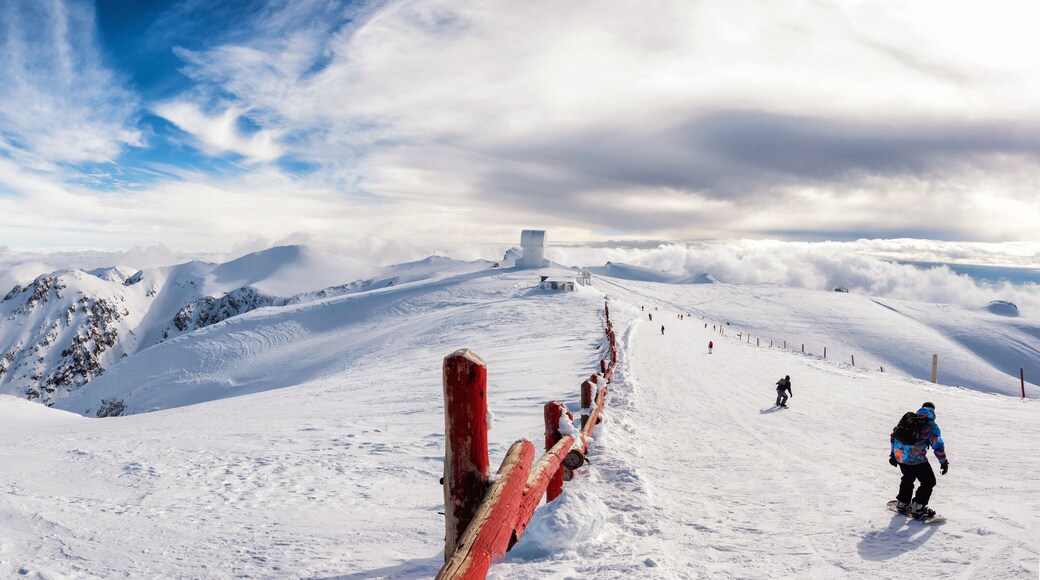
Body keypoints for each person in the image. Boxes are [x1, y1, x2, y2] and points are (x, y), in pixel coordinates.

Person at [889, 402, 949, 519]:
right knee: (929, 482)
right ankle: (918, 508)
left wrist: (893, 454)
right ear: (933, 411)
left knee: (908, 477)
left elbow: (894, 436)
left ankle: (902, 503)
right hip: (917, 460)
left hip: (901, 457)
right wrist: (943, 462)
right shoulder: (931, 426)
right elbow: (937, 446)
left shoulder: (909, 419)